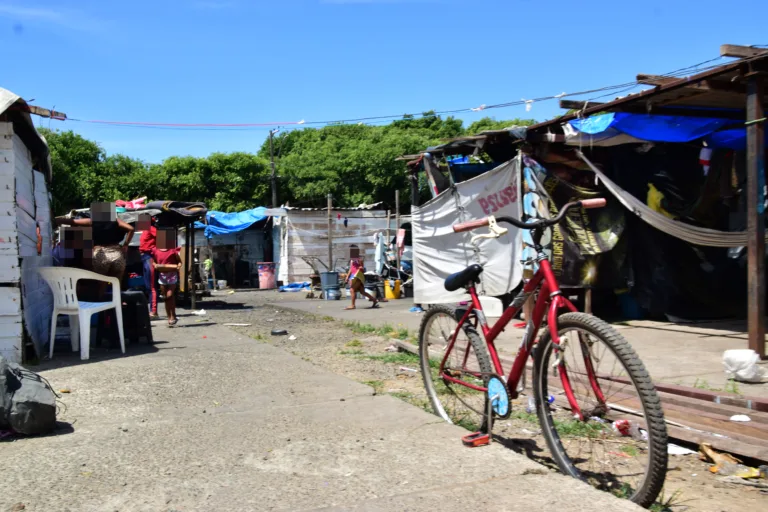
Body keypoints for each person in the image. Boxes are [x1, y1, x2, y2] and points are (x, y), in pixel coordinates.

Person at [56, 202, 134, 297]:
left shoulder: (92, 221)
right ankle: (117, 308)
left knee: (101, 285)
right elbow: (131, 228)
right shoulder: (116, 221)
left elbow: (73, 222)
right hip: (117, 254)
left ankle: (102, 308)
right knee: (117, 284)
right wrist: (125, 245)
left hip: (101, 255)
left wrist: (56, 220)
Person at [152, 228, 181, 326]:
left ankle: (173, 315)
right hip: (162, 276)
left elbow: (179, 261)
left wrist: (178, 266)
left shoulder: (173, 250)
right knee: (166, 298)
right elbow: (154, 261)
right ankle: (170, 317)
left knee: (169, 295)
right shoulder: (155, 250)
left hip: (172, 276)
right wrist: (155, 265)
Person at [138, 214, 159, 318]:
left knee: (152, 286)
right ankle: (152, 310)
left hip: (149, 257)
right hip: (144, 257)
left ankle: (154, 311)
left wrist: (154, 252)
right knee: (148, 287)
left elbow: (161, 239)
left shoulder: (151, 229)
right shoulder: (145, 231)